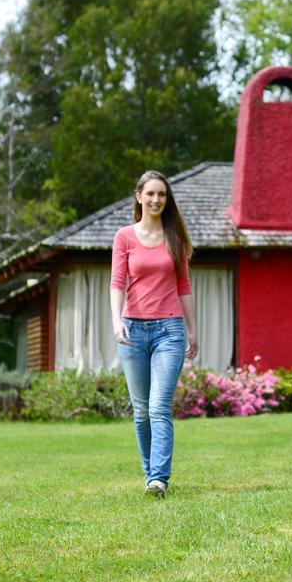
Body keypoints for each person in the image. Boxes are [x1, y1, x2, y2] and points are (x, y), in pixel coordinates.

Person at [110, 170, 199, 499]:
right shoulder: (124, 237)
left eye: (162, 194)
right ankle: (150, 474)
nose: (156, 200)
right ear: (139, 196)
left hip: (169, 331)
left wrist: (193, 330)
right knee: (141, 409)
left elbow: (184, 287)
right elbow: (117, 282)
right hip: (132, 329)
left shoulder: (174, 237)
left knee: (159, 406)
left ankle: (159, 479)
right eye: (150, 194)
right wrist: (116, 321)